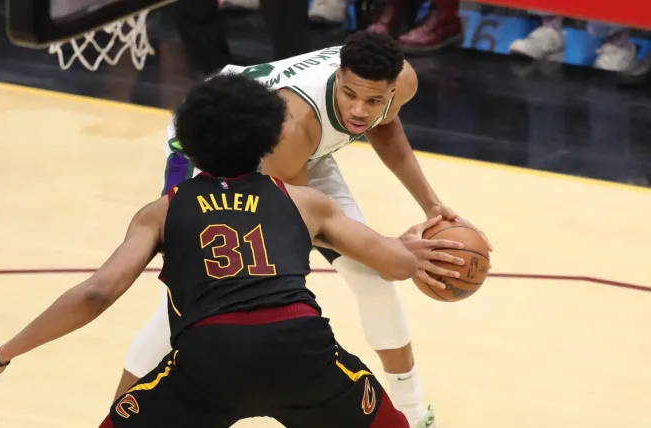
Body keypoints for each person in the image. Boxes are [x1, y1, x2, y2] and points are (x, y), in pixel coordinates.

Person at [0, 74, 464, 427]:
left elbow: (97, 294)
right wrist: (418, 243)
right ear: (266, 139)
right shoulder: (307, 202)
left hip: (209, 361)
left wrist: (1, 354)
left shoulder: (163, 210)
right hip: (301, 352)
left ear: (192, 147)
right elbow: (396, 265)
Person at [121, 30, 492, 427]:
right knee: (191, 297)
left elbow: (384, 126)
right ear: (338, 73)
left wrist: (431, 205)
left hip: (297, 152)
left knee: (372, 281)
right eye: (350, 94)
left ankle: (415, 415)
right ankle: (120, 411)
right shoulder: (295, 125)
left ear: (393, 87)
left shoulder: (400, 81)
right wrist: (384, 248)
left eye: (374, 100)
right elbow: (290, 219)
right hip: (218, 136)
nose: (360, 112)